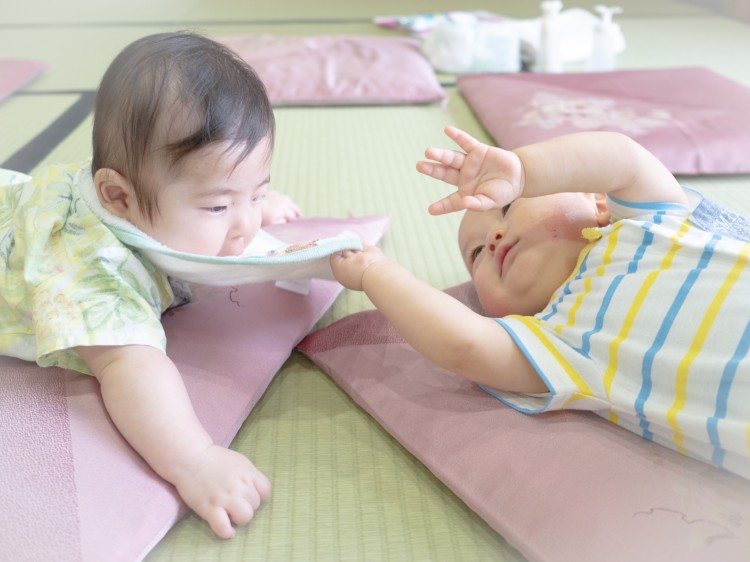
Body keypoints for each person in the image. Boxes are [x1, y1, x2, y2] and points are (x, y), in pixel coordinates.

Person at [0, 31, 302, 538]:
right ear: (117, 196)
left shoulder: (139, 191)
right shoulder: (93, 270)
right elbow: (130, 368)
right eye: (218, 205)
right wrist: (195, 460)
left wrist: (241, 204)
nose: (246, 225)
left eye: (256, 192)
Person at [330, 125, 750, 480]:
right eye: (475, 255)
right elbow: (465, 344)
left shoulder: (649, 221)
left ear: (597, 201)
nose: (492, 239)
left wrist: (524, 170)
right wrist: (375, 272)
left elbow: (626, 158)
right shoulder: (557, 340)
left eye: (508, 207)